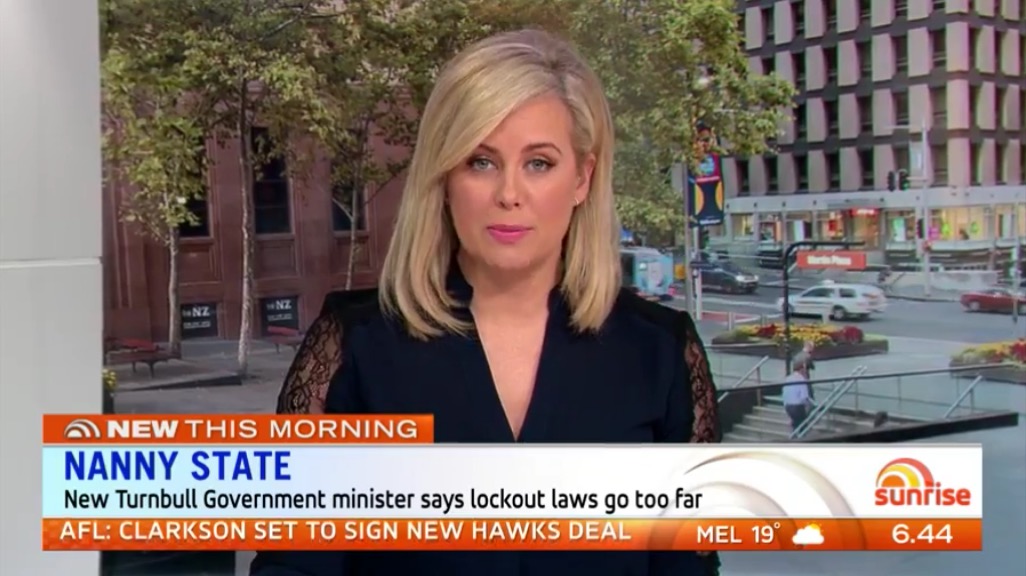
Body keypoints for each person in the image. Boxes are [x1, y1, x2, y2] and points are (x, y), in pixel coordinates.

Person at [253, 29, 721, 576]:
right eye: (480, 161)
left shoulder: (661, 354)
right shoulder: (353, 349)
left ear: (582, 178)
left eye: (539, 163)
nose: (509, 194)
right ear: (445, 178)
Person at [782, 357, 813, 433]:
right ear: (802, 369)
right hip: (797, 407)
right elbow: (804, 397)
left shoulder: (788, 378)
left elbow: (785, 395)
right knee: (802, 427)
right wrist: (809, 406)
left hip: (788, 406)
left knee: (796, 425)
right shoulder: (801, 379)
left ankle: (794, 430)